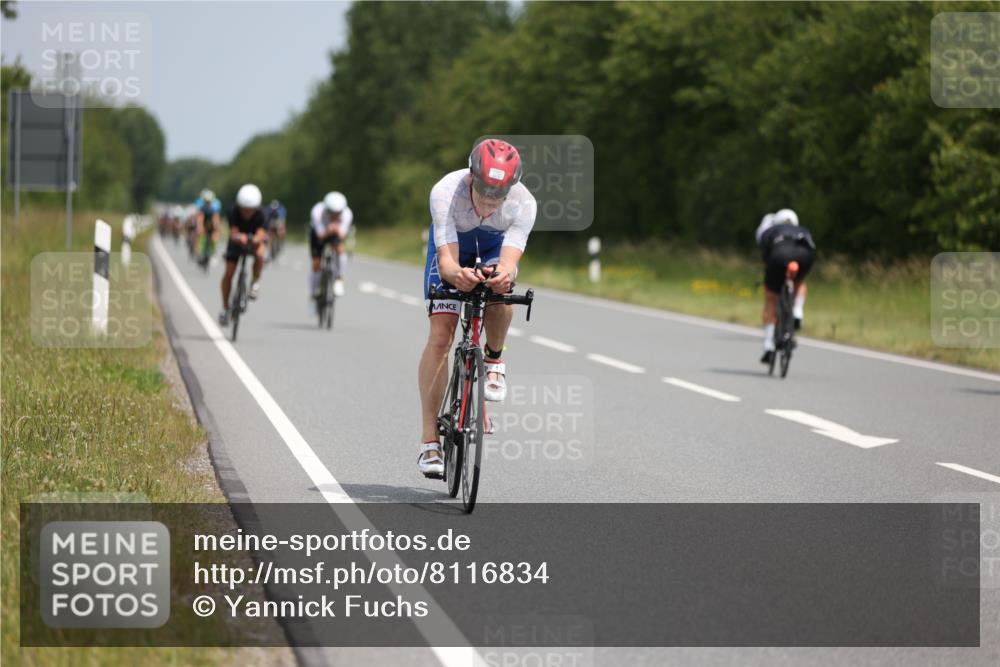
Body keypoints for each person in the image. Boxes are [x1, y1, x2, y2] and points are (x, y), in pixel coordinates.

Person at [416, 139, 537, 476]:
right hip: (453, 249)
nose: (489, 199)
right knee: (441, 335)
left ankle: (494, 359)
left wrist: (501, 278)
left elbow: (509, 264)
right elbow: (447, 264)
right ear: (472, 175)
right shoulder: (445, 192)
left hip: (495, 248)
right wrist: (458, 276)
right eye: (484, 188)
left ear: (511, 188)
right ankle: (429, 443)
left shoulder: (524, 203)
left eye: (499, 192)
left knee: (502, 293)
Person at [755, 208, 817, 365]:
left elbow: (766, 259)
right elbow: (812, 247)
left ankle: (768, 345)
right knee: (799, 282)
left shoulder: (770, 231)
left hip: (779, 256)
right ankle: (797, 311)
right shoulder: (803, 230)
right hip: (805, 256)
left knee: (771, 299)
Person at [218, 184, 268, 325]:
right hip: (237, 241)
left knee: (260, 254)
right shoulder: (233, 211)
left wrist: (255, 239)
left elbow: (261, 233)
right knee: (229, 273)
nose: (246, 213)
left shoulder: (262, 214)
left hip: (254, 240)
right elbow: (233, 232)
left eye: (250, 210)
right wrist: (239, 237)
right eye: (244, 210)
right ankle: (225, 307)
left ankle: (254, 281)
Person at [309, 191, 352, 300]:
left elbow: (342, 235)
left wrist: (336, 229)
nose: (334, 215)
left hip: (334, 234)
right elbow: (320, 236)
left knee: (340, 249)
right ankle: (313, 293)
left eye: (337, 213)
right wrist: (329, 230)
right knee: (316, 263)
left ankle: (339, 278)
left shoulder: (347, 214)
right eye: (331, 212)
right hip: (319, 234)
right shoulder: (317, 211)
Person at [194, 189, 222, 267]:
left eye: (209, 201)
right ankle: (199, 252)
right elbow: (200, 219)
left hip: (211, 225)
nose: (208, 203)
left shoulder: (214, 208)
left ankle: (213, 253)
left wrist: (217, 228)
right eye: (206, 201)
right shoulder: (202, 208)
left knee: (214, 238)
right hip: (204, 224)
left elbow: (216, 219)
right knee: (200, 236)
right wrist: (200, 227)